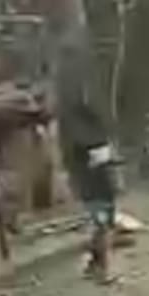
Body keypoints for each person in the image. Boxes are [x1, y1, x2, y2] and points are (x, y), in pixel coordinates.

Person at [62, 100, 118, 284]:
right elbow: (103, 164)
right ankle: (103, 270)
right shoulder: (87, 143)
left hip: (97, 191)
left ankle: (95, 265)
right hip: (97, 190)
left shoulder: (80, 142)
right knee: (102, 229)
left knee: (102, 228)